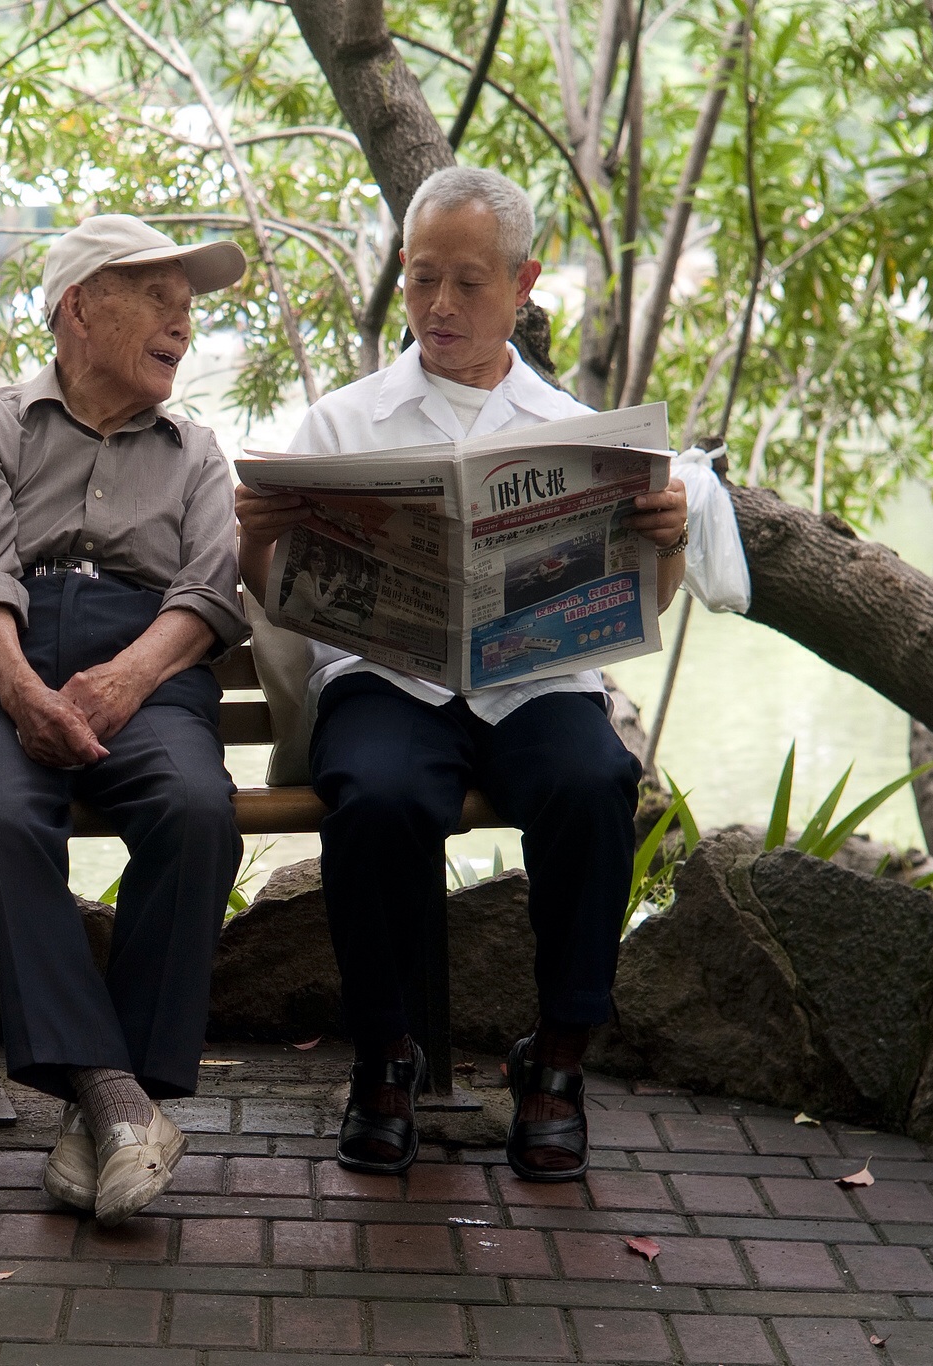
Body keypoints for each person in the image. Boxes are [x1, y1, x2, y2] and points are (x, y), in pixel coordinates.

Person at [235, 167, 690, 1182]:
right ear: (401, 269)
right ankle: (385, 1056)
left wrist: (664, 542)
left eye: (469, 283)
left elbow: (643, 603)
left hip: (534, 684)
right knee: (377, 795)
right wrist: (255, 538)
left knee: (593, 783)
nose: (439, 305)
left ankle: (557, 1058)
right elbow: (277, 595)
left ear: (523, 284)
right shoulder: (341, 425)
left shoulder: (573, 431)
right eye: (422, 278)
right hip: (388, 680)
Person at [0, 215, 249, 1226]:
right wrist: (23, 692)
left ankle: (101, 1107)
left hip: (148, 663)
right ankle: (114, 1095)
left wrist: (127, 678)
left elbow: (209, 591)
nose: (181, 323)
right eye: (157, 299)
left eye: (187, 308)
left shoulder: (197, 452)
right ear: (78, 309)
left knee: (195, 810)